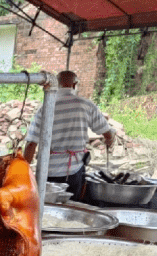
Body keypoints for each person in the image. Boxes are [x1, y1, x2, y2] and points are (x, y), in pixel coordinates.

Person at [24, 70, 115, 200]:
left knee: (46, 209)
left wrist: (23, 173)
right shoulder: (86, 105)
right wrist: (110, 140)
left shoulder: (45, 107)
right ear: (75, 84)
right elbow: (107, 132)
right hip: (74, 171)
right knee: (71, 210)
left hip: (47, 171)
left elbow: (31, 143)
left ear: (57, 84)